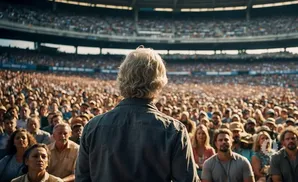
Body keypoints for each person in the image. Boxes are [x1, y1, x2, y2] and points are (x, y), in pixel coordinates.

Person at [75, 46, 200, 182]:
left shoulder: (93, 127)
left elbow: (82, 178)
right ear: (159, 82)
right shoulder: (174, 130)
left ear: (122, 78)